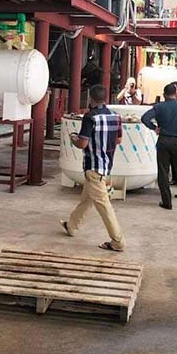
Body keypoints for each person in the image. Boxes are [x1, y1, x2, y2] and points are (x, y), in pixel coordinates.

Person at [60, 85, 125, 252]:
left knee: (104, 205)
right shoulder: (115, 116)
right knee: (87, 199)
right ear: (106, 98)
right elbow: (118, 140)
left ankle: (117, 241)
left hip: (93, 167)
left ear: (90, 98)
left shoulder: (90, 117)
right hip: (106, 166)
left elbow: (82, 143)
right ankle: (71, 226)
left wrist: (73, 137)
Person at [142, 84, 177, 209]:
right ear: (176, 94)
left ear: (164, 95)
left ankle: (167, 202)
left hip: (163, 140)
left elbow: (145, 118)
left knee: (163, 172)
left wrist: (155, 128)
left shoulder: (159, 107)